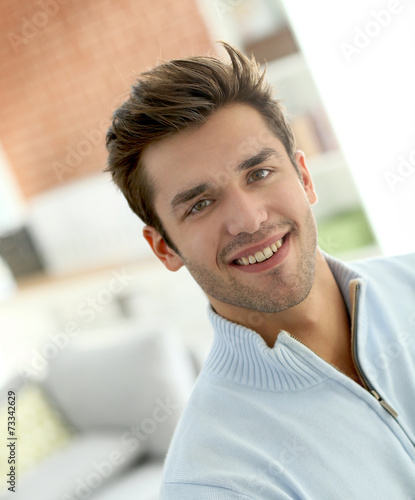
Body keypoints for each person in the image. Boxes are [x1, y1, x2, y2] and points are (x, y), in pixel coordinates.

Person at [105, 43, 415, 499]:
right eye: (201, 204)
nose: (249, 220)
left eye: (259, 173)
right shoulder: (212, 482)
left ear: (304, 177)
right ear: (163, 248)